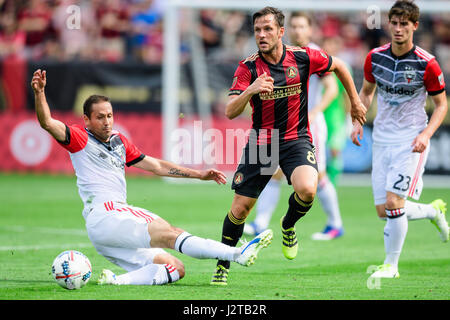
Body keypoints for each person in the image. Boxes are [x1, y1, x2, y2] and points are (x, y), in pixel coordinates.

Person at [31, 69, 273, 286]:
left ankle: (116, 280)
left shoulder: (119, 141)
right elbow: (47, 123)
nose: (106, 122)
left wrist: (198, 174)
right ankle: (236, 254)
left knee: (175, 268)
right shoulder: (80, 139)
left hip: (107, 234)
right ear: (86, 120)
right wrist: (40, 93)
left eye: (109, 115)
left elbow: (156, 165)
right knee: (170, 233)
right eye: (100, 117)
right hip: (107, 214)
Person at [211, 6, 366, 285]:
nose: (262, 34)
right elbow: (230, 111)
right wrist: (251, 90)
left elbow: (340, 65)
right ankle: (223, 263)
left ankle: (288, 224)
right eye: (257, 29)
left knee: (308, 189)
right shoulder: (248, 67)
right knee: (240, 209)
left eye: (268, 29)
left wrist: (355, 102)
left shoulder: (303, 57)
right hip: (263, 142)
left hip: (296, 138)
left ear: (281, 32)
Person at [352, 0, 449, 279]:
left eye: (404, 24)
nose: (398, 29)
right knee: (385, 211)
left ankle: (391, 266)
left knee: (395, 203)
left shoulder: (426, 63)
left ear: (414, 26)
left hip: (410, 140)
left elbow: (442, 105)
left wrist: (425, 134)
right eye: (394, 23)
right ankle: (432, 211)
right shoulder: (375, 57)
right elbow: (367, 91)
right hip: (382, 138)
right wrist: (358, 120)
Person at [243, 12, 345, 241]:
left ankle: (336, 224)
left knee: (318, 176)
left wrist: (315, 112)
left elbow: (332, 88)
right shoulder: (284, 54)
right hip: (285, 124)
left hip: (308, 125)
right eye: (295, 26)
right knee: (273, 172)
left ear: (310, 30)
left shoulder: (313, 54)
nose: (298, 31)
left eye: (302, 27)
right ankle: (260, 222)